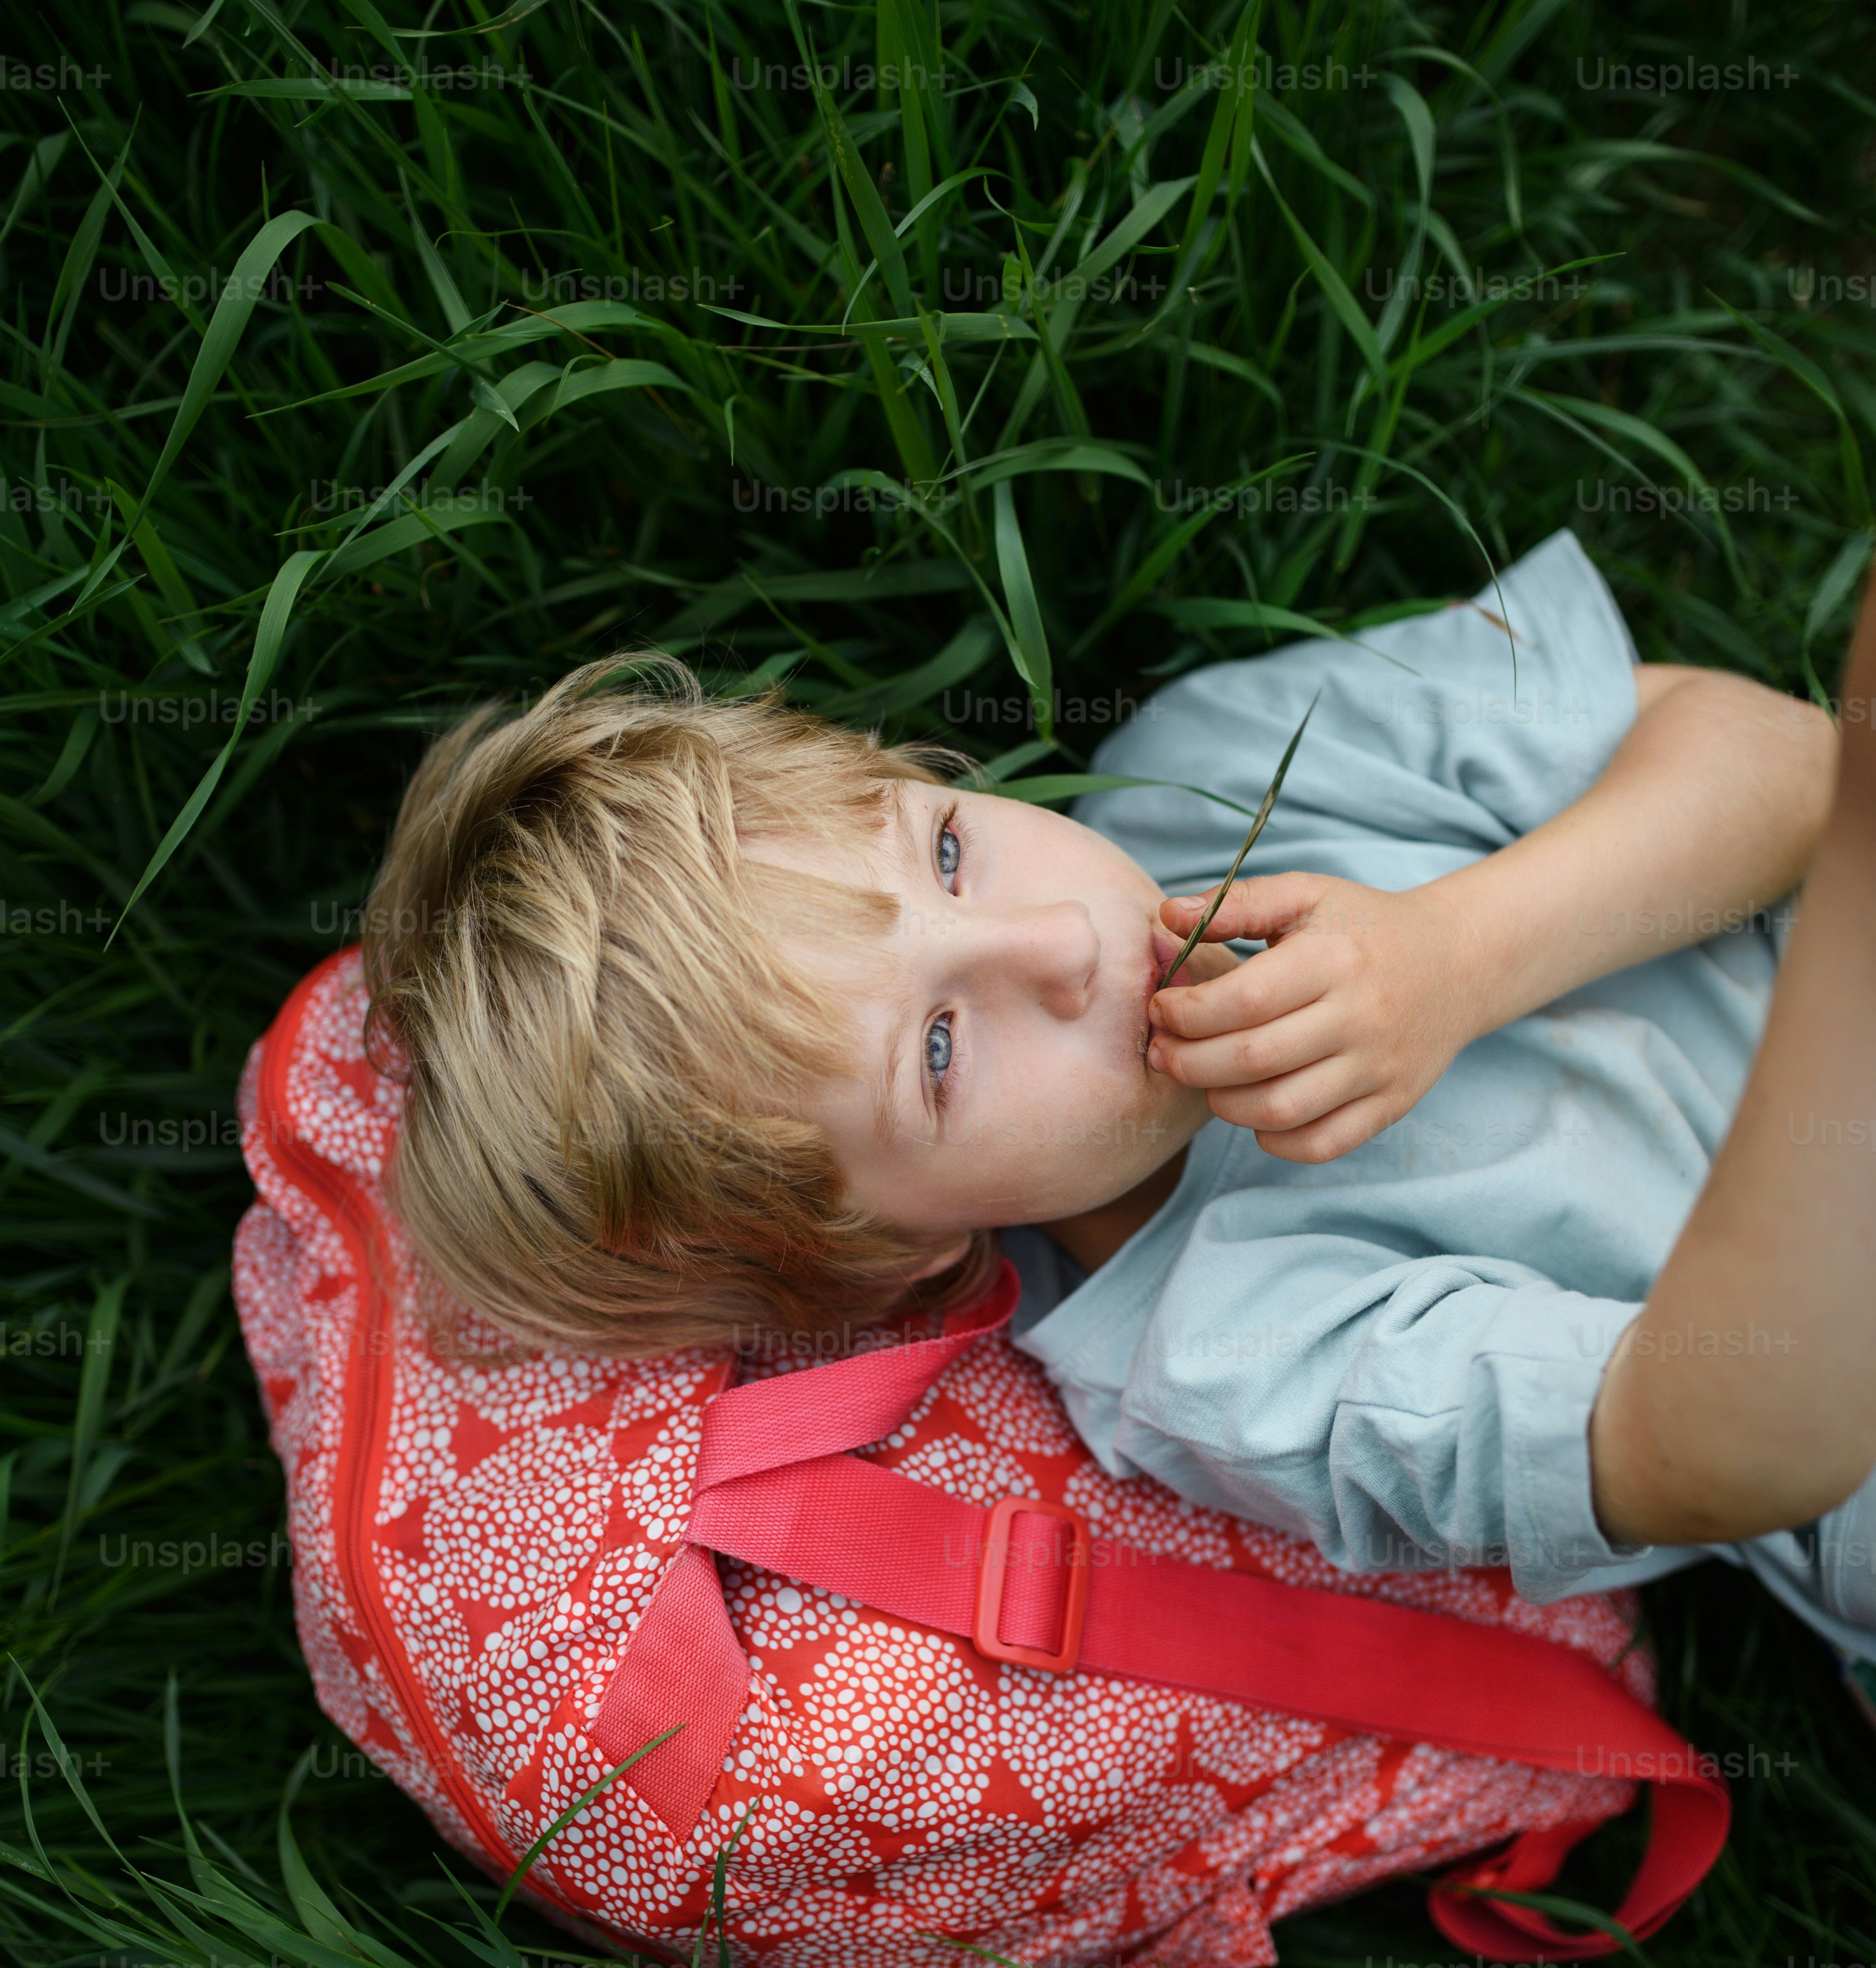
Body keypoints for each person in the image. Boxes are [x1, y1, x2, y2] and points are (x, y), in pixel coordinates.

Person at [363, 530, 1876, 1658]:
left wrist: (1464, 948)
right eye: (941, 1052)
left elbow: (1785, 760)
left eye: (948, 852)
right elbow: (1734, 1451)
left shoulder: (1217, 768)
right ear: (895, 1253)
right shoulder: (1220, 1356)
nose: (1065, 943)